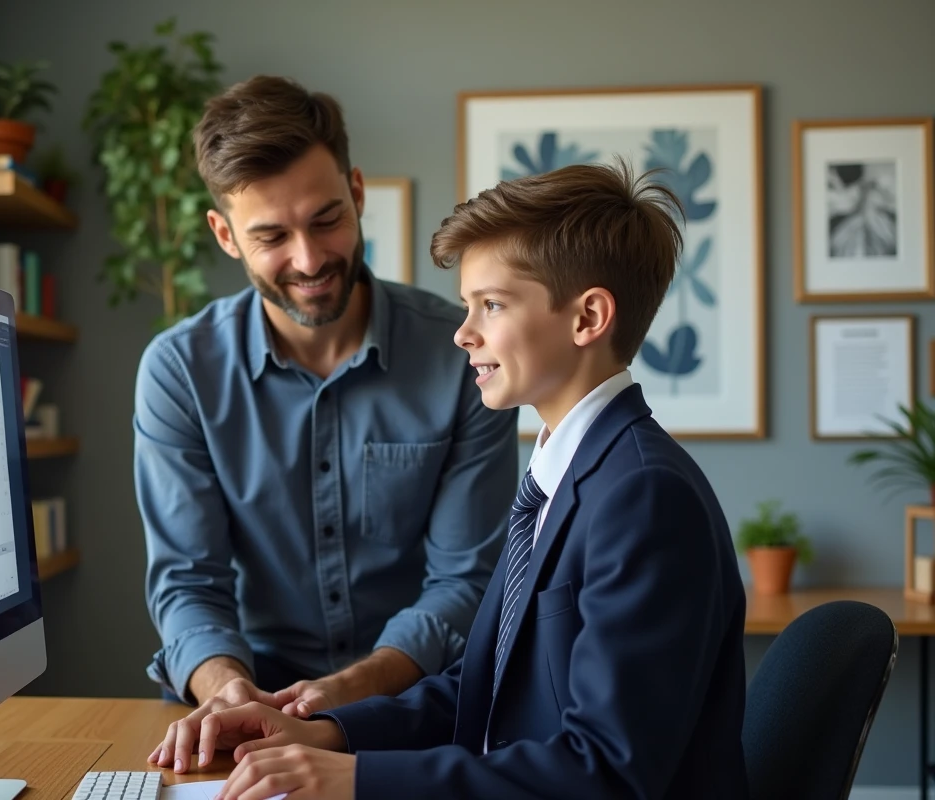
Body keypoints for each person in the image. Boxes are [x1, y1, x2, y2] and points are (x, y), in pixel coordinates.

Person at [167, 159, 750, 800]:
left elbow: (605, 773)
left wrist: (358, 780)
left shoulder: (642, 497)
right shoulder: (568, 476)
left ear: (587, 318)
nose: (463, 333)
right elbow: (484, 689)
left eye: (492, 305)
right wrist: (325, 732)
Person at [135, 74, 519, 769]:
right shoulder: (179, 370)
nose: (309, 260)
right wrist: (226, 693)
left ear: (358, 193)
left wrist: (340, 697)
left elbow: (466, 580)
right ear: (224, 234)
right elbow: (188, 581)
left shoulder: (462, 352)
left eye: (326, 219)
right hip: (241, 711)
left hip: (415, 712)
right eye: (272, 235)